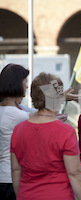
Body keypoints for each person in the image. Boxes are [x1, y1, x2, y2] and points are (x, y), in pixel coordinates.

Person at [10, 72, 81, 200]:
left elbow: (16, 170)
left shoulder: (18, 130)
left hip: (27, 194)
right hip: (58, 194)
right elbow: (75, 172)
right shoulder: (66, 131)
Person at [0, 64, 30, 200]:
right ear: (17, 83)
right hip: (12, 179)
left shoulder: (8, 110)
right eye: (25, 82)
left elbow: (36, 112)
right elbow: (43, 115)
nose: (27, 86)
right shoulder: (18, 115)